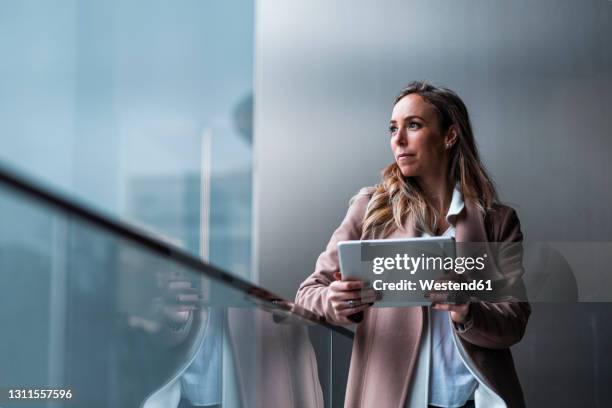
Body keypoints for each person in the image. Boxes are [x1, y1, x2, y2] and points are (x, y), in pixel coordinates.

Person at [296, 81, 530, 408]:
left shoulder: (497, 222)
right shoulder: (370, 210)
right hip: (392, 398)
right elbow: (307, 295)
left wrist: (467, 309)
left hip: (475, 400)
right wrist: (334, 301)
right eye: (393, 129)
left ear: (449, 136)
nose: (399, 139)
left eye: (414, 125)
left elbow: (513, 321)